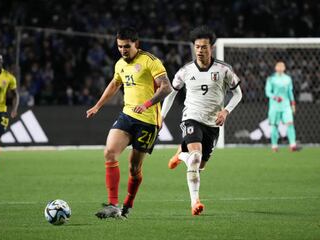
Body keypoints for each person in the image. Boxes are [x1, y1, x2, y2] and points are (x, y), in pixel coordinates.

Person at [86, 27, 172, 219]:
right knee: (109, 152)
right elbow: (115, 84)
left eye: (126, 46)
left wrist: (147, 104)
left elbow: (167, 88)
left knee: (134, 168)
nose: (123, 50)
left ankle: (128, 204)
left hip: (148, 122)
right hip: (127, 116)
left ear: (136, 44)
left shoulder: (151, 61)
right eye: (119, 46)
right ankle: (112, 205)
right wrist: (97, 106)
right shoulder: (119, 65)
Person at [161, 26, 242, 215]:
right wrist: (162, 116)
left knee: (200, 164)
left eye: (204, 47)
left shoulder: (224, 69)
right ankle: (194, 202)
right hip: (192, 118)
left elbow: (238, 93)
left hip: (213, 124)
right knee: (196, 158)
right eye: (197, 46)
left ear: (211, 48)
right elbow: (172, 93)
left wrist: (226, 111)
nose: (200, 50)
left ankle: (180, 155)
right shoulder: (186, 70)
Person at [265, 61, 299, 152]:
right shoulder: (271, 79)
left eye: (282, 66)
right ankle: (274, 146)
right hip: (274, 106)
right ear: (275, 68)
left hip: (286, 105)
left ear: (284, 68)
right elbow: (267, 92)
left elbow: (290, 92)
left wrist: (293, 104)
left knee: (290, 124)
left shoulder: (288, 79)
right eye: (278, 66)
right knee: (274, 126)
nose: (280, 68)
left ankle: (292, 145)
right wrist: (275, 97)